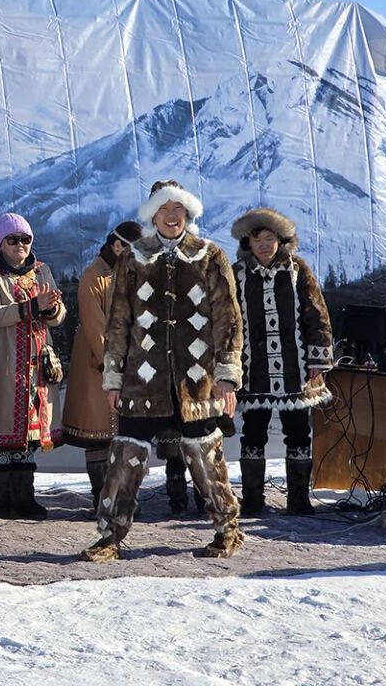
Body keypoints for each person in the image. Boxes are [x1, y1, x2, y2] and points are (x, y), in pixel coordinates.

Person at [80, 179, 244, 562]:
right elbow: (118, 323)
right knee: (124, 458)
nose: (171, 216)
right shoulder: (133, 258)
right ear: (152, 215)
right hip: (143, 380)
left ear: (188, 213)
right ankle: (109, 537)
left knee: (206, 457)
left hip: (196, 380)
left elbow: (228, 320)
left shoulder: (210, 256)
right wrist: (113, 377)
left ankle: (227, 530)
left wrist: (227, 375)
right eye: (163, 209)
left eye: (178, 209)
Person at [231, 208, 333, 516]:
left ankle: (298, 501)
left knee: (298, 432)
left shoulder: (297, 270)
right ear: (248, 242)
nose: (264, 245)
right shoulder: (237, 273)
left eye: (270, 238)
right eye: (257, 239)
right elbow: (228, 322)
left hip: (295, 367)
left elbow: (317, 314)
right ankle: (252, 501)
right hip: (254, 368)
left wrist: (317, 358)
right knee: (253, 433)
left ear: (281, 240)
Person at [0, 213, 66, 519]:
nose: (20, 245)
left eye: (26, 239)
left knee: (29, 434)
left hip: (36, 366)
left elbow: (58, 317)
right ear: (0, 243)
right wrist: (33, 307)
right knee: (1, 431)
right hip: (4, 365)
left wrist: (52, 308)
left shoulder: (41, 270)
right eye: (12, 240)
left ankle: (25, 499)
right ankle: (4, 501)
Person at [62, 220, 142, 512]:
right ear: (117, 245)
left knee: (124, 436)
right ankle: (103, 498)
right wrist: (112, 365)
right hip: (97, 364)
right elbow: (94, 326)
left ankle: (123, 497)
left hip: (128, 362)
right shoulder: (93, 276)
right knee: (98, 433)